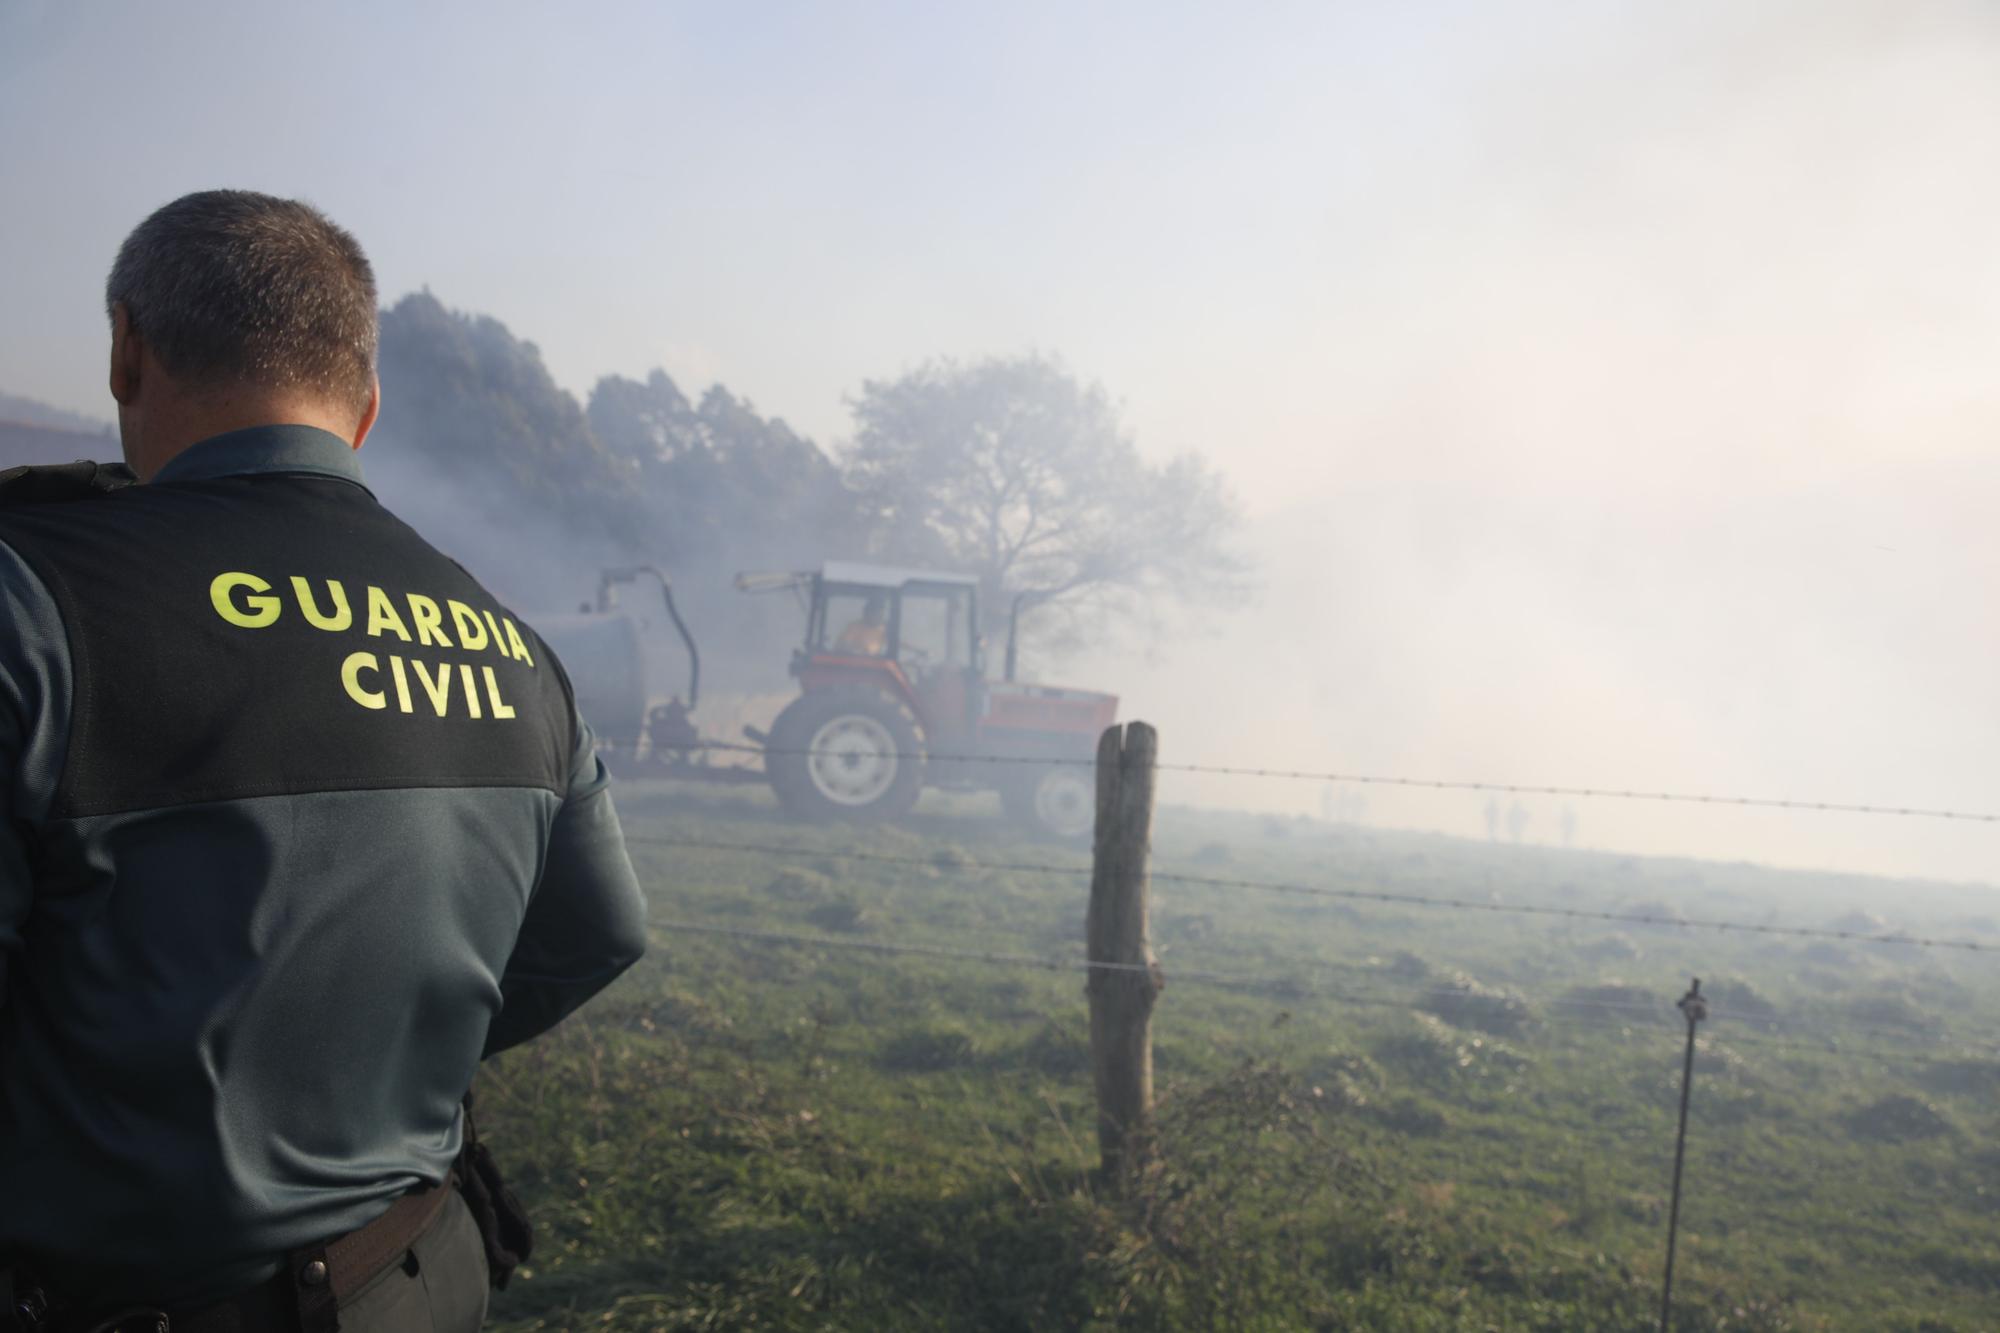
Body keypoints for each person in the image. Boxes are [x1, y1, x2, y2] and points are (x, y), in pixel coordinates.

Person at [0, 191, 648, 1331]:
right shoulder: (509, 637)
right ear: (366, 400)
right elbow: (599, 931)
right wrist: (372, 1052)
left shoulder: (33, 605)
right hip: (419, 1276)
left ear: (124, 351)